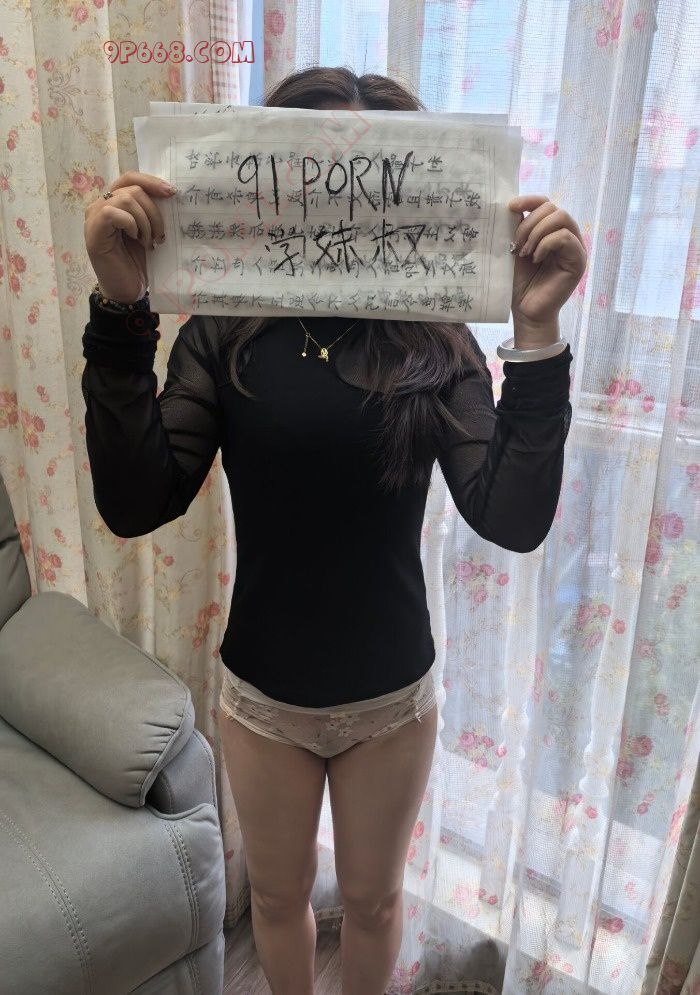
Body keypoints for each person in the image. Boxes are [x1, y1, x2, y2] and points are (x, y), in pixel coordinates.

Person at [82, 66, 585, 995]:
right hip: (264, 694)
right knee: (277, 900)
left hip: (390, 696)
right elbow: (136, 500)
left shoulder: (434, 340)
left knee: (375, 901)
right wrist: (120, 310)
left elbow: (511, 517)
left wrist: (538, 333)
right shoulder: (224, 332)